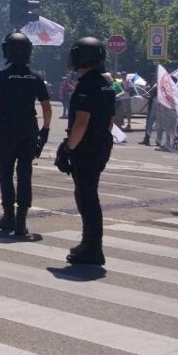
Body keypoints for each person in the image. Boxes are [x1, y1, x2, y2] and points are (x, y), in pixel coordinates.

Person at [53, 37, 116, 266]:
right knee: (89, 195)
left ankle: (92, 247)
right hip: (101, 144)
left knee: (86, 197)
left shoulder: (86, 85)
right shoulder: (106, 85)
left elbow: (81, 122)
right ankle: (91, 244)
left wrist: (68, 148)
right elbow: (109, 121)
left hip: (86, 147)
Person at [0, 32, 52, 236]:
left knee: (6, 173)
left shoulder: (3, 76)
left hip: (6, 131)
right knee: (25, 174)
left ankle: (9, 216)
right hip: (29, 130)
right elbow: (47, 107)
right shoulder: (36, 76)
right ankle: (21, 220)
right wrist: (45, 129)